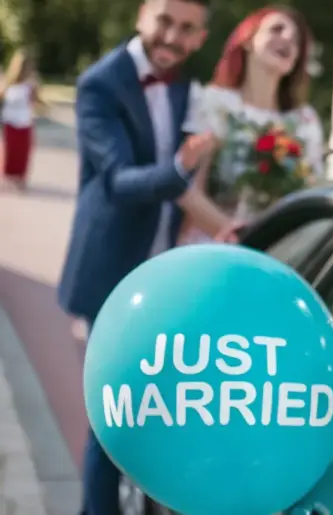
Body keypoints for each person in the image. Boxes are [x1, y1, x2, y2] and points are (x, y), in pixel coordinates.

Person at [56, 0, 224, 513]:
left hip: (161, 272)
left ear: (201, 37)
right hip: (108, 268)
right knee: (112, 415)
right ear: (141, 16)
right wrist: (179, 168)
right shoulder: (99, 83)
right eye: (164, 21)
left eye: (186, 28)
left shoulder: (186, 86)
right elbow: (119, 181)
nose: (172, 37)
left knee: (147, 411)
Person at [179, 5, 324, 244]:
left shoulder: (304, 122)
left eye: (297, 40)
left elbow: (310, 196)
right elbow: (187, 190)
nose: (288, 38)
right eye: (277, 29)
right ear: (247, 40)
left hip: (276, 250)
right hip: (212, 245)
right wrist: (240, 237)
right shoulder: (214, 104)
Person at [0, 49, 45, 191]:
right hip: (10, 122)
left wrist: (39, 103)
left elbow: (36, 101)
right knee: (10, 152)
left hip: (24, 122)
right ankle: (9, 177)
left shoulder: (31, 84)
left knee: (22, 152)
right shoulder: (8, 82)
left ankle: (20, 178)